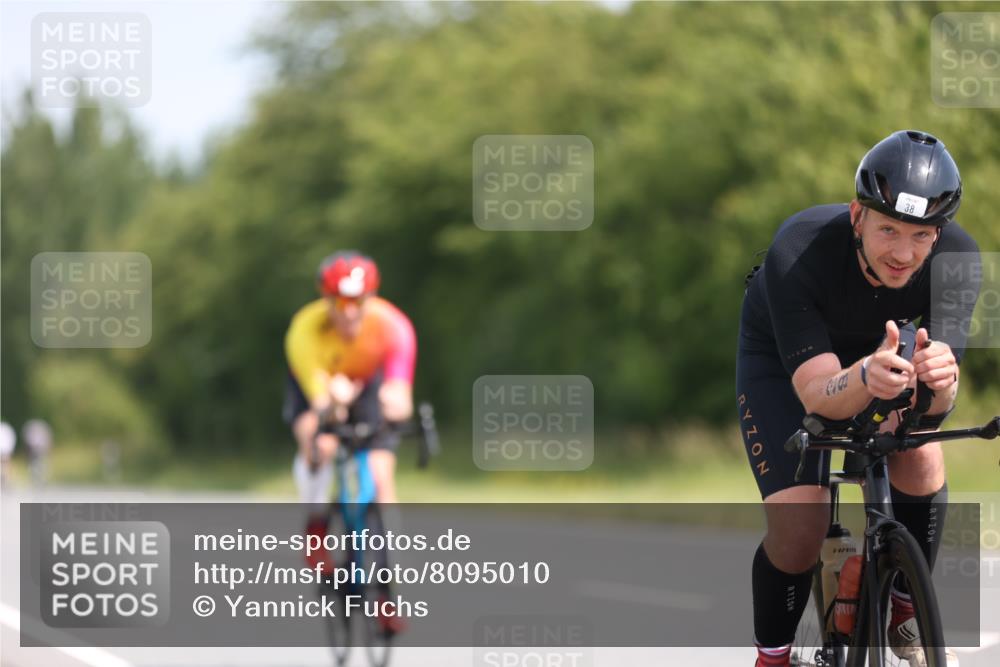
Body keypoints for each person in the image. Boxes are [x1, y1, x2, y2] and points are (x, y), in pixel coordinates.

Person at [737, 130, 979, 667]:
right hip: (787, 367)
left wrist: (941, 382)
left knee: (920, 451)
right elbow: (819, 396)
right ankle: (772, 656)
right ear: (857, 216)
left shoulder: (958, 256)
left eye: (920, 235)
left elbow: (940, 405)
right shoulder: (799, 247)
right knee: (801, 528)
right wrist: (866, 375)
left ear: (939, 234)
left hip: (880, 354)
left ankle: (904, 608)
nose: (901, 252)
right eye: (888, 228)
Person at [283, 250, 416, 635]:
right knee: (319, 442)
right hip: (318, 385)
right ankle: (315, 525)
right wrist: (329, 404)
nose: (351, 312)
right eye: (341, 302)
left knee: (381, 476)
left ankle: (387, 593)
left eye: (359, 301)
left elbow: (399, 383)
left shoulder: (393, 327)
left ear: (371, 298)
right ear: (326, 300)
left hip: (366, 383)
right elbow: (321, 402)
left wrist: (399, 399)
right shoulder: (304, 331)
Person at [0, 421, 16, 488]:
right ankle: (5, 481)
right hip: (6, 449)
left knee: (6, 466)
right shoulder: (6, 429)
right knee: (6, 466)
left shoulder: (5, 429)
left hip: (5, 450)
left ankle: (6, 481)